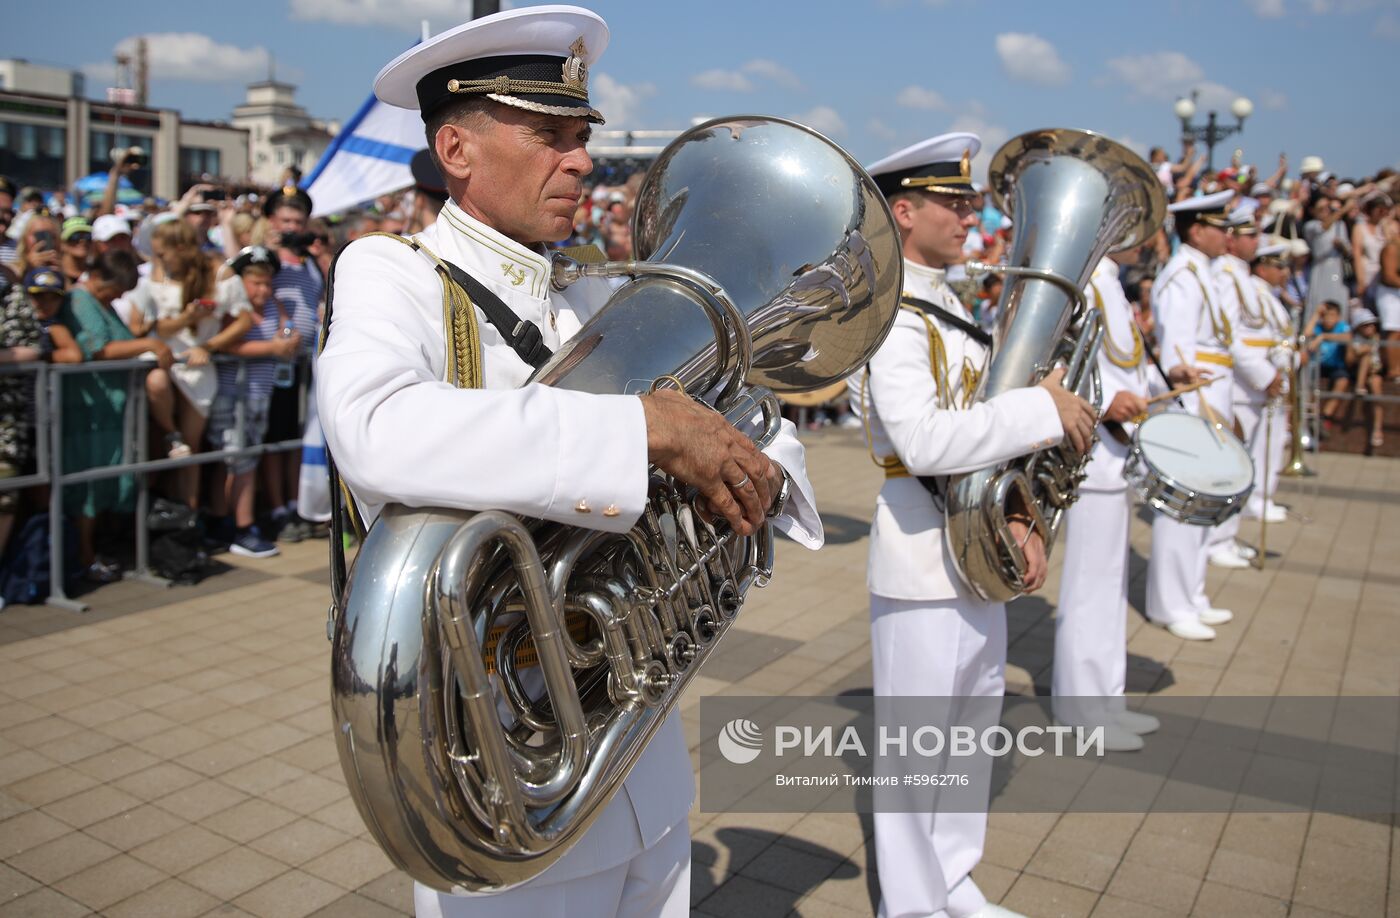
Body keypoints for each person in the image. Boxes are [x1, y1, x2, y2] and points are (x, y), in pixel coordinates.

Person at [317, 8, 822, 918]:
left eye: (580, 136)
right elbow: (374, 429)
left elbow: (751, 421)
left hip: (639, 761)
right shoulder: (391, 271)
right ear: (456, 150)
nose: (581, 160)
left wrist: (760, 475)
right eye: (549, 135)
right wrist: (645, 435)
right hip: (501, 757)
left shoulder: (594, 291)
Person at [847, 133, 1094, 918]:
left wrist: (1023, 515)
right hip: (922, 554)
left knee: (967, 737)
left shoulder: (953, 304)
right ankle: (911, 905)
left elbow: (983, 429)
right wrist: (1037, 410)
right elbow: (921, 441)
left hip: (974, 547)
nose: (970, 215)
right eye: (952, 203)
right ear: (904, 211)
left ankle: (952, 881)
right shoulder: (889, 313)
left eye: (969, 201)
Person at [1146, 191, 1277, 641]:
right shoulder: (1181, 277)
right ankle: (1170, 603)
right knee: (1184, 507)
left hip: (1214, 392)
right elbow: (1181, 352)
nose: (1228, 236)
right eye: (1220, 227)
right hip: (1194, 396)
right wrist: (1196, 405)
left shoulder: (1201, 272)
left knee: (1204, 503)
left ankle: (1192, 594)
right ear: (1196, 230)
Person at [1052, 248, 1157, 753]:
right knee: (1090, 584)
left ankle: (1106, 700)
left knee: (1110, 582)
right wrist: (1105, 402)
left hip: (1117, 447)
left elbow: (1125, 362)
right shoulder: (1083, 276)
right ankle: (1080, 709)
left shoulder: (1110, 281)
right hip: (1091, 445)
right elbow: (1052, 361)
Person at [58, 250, 174, 581]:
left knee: (107, 480)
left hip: (111, 410)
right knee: (88, 485)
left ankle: (96, 551)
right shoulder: (81, 301)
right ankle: (84, 555)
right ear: (100, 279)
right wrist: (151, 344)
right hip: (90, 412)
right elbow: (97, 348)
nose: (121, 296)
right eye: (117, 289)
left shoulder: (102, 302)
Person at [205, 246, 294, 558]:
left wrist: (287, 337)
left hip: (260, 393)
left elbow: (287, 331)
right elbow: (225, 346)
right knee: (235, 460)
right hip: (233, 395)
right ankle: (239, 526)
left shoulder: (272, 304)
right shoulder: (231, 309)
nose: (263, 289)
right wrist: (272, 347)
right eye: (256, 283)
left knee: (246, 459)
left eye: (267, 283)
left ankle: (227, 522)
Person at [1207, 212, 1284, 569]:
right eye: (1249, 236)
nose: (1256, 242)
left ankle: (1227, 535)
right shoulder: (1224, 275)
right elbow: (1229, 336)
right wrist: (1263, 374)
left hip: (1251, 380)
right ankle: (1219, 538)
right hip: (1239, 382)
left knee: (1248, 464)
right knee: (1234, 465)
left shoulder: (1239, 275)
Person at [260, 186, 322, 541]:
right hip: (273, 361)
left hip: (306, 363)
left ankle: (300, 502)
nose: (292, 226)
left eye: (298, 220)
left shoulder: (309, 260)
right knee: (277, 434)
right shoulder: (265, 258)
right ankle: (277, 505)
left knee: (300, 436)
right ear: (272, 221)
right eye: (285, 219)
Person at [1245, 240, 1298, 513]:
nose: (1284, 273)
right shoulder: (1253, 293)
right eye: (1279, 266)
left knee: (1274, 441)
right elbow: (1255, 340)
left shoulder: (1269, 295)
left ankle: (1265, 496)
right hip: (1266, 380)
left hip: (1277, 377)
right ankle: (1256, 499)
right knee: (1262, 445)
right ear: (1263, 268)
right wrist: (1270, 373)